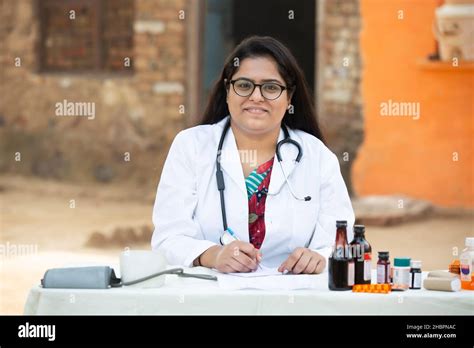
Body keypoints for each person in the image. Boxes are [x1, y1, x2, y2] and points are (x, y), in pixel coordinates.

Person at [151, 36, 355, 274]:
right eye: (244, 85)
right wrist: (213, 255)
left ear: (289, 97)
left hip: (293, 297)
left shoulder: (317, 156)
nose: (256, 97)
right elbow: (167, 239)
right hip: (212, 297)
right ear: (228, 91)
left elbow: (341, 240)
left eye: (270, 87)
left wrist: (320, 257)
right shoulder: (191, 146)